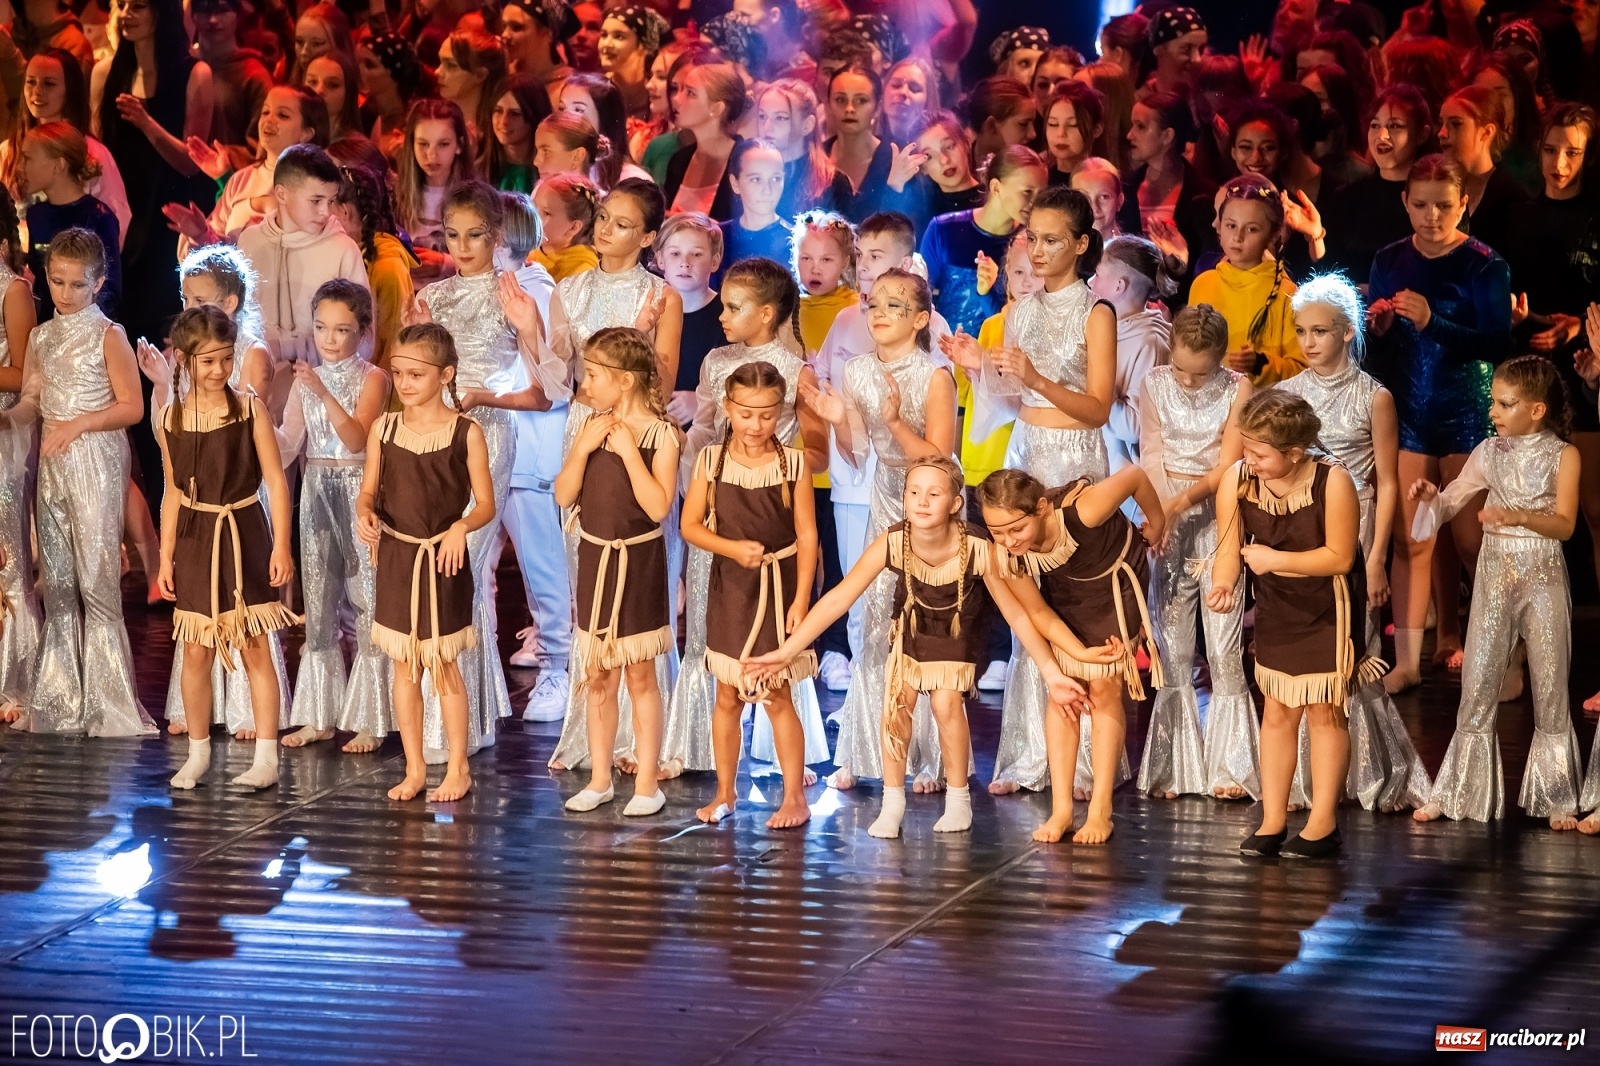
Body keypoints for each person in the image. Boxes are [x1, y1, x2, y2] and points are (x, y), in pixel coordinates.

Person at [751, 456, 1081, 839]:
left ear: (955, 503)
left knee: (944, 702)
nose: (922, 502)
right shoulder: (895, 540)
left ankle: (958, 799)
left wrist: (1053, 673)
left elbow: (1018, 616)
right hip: (911, 627)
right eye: (914, 492)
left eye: (934, 494)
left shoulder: (977, 547)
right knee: (897, 702)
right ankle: (893, 802)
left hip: (957, 631)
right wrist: (786, 651)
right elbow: (839, 598)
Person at [942, 185, 1116, 798]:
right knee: (1027, 600)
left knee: (1072, 600)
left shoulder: (1096, 312)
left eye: (1050, 240)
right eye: (1032, 240)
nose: (1038, 252)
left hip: (1074, 459)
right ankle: (1030, 753)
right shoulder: (1020, 309)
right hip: (1027, 453)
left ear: (1080, 244)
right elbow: (1008, 399)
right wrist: (977, 368)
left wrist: (1035, 376)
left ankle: (1088, 758)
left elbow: (1098, 407)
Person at [410, 180, 555, 761]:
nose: (463, 247)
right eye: (452, 236)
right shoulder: (435, 296)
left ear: (497, 237)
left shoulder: (513, 292)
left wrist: (522, 333)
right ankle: (464, 704)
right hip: (432, 440)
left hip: (486, 435)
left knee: (463, 562)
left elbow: (547, 390)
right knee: (437, 567)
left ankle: (466, 718)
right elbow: (412, 373)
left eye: (475, 236)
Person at [667, 256, 827, 778]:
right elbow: (706, 429)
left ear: (765, 313)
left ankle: (785, 762)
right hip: (719, 502)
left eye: (734, 307)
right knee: (712, 637)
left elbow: (816, 448)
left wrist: (779, 465)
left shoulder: (797, 368)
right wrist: (691, 473)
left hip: (772, 503)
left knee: (773, 648)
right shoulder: (715, 361)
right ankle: (697, 749)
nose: (721, 314)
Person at [1279, 274, 1431, 814]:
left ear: (1347, 332)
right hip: (1301, 526)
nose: (1310, 342)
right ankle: (1307, 777)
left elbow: (1387, 482)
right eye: (1301, 331)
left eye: (1321, 331)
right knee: (1303, 652)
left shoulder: (1375, 397)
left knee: (1353, 649)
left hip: (1356, 524)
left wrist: (1376, 558)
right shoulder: (1288, 395)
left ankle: (1366, 770)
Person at [803, 268, 957, 792]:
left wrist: (894, 422)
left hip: (929, 505)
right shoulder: (859, 370)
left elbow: (939, 460)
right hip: (883, 499)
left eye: (895, 304)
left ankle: (928, 758)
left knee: (920, 624)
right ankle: (867, 750)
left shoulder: (935, 375)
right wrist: (835, 419)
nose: (880, 312)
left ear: (920, 319)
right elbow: (858, 451)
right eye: (873, 303)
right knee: (874, 623)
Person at [1411, 357, 1582, 829]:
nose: (1494, 412)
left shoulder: (1563, 455)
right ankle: (1458, 792)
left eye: (1506, 404)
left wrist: (1518, 517)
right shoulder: (1490, 451)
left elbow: (1565, 525)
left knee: (1551, 688)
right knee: (1478, 683)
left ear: (1537, 409)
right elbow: (1452, 502)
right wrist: (1432, 499)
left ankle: (1557, 794)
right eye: (1494, 402)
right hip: (1495, 576)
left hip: (1543, 576)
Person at [545, 179, 680, 774]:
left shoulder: (661, 296)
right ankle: (595, 733)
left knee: (637, 584)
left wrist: (646, 336)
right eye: (603, 217)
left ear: (648, 237)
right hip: (584, 424)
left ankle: (641, 739)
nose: (605, 229)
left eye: (623, 223)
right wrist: (529, 329)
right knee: (589, 578)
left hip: (638, 429)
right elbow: (557, 377)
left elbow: (663, 383)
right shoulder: (568, 290)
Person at [1368, 154, 1513, 691]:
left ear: (1465, 204)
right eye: (1422, 205)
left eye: (1444, 206)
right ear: (1404, 202)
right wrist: (1380, 327)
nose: (1432, 216)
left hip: (1467, 409)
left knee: (1473, 539)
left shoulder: (1483, 264)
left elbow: (1498, 341)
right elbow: (1383, 342)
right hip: (1411, 410)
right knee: (1412, 539)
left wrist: (1435, 321)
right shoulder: (1389, 258)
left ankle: (1502, 656)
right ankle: (1407, 660)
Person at [1212, 391, 1370, 859]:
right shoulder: (1239, 479)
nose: (1250, 461)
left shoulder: (1332, 481)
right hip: (1278, 604)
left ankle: (1323, 823)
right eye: (1246, 449)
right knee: (1277, 709)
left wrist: (1272, 559)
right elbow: (1229, 545)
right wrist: (1225, 585)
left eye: (1260, 454)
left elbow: (1339, 557)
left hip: (1327, 605)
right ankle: (1273, 819)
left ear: (1295, 452)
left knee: (1323, 710)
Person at [978, 464, 1166, 844]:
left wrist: (1157, 522)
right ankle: (1062, 809)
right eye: (998, 532)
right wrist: (1077, 650)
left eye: (1017, 529)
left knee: (1103, 686)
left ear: (1042, 508)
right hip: (1067, 593)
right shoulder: (1008, 554)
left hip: (1114, 583)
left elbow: (1134, 477)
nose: (1009, 540)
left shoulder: (1086, 510)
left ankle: (1100, 809)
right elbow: (1037, 612)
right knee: (1064, 693)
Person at [18, 229, 154, 736]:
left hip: (94, 456)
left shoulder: (108, 334)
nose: (65, 293)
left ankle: (109, 704)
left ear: (97, 284)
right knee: (57, 582)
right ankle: (60, 700)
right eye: (57, 281)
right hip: (53, 459)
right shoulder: (41, 337)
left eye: (78, 284)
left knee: (96, 582)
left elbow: (131, 406)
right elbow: (34, 395)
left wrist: (77, 423)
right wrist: (15, 420)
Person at [356, 324, 496, 804]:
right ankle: (415, 767)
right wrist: (365, 513)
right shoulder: (385, 428)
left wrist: (459, 528)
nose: (404, 383)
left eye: (416, 373)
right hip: (397, 555)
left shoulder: (466, 432)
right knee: (404, 667)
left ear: (446, 375)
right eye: (397, 373)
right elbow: (369, 491)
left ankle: (457, 767)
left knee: (444, 664)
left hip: (443, 557)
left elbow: (485, 505)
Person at [158, 305, 295, 790]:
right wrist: (165, 555)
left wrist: (281, 546)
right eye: (207, 361)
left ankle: (265, 758)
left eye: (225, 358)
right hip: (197, 537)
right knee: (195, 650)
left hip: (242, 530)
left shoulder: (249, 408)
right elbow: (173, 491)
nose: (219, 370)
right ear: (183, 360)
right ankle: (197, 753)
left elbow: (276, 483)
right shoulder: (171, 417)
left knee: (256, 645)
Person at [679, 360, 817, 827]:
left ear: (781, 412)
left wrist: (800, 602)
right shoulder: (711, 461)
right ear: (726, 408)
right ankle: (725, 792)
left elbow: (808, 536)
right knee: (727, 696)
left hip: (778, 589)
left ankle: (794, 796)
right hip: (732, 588)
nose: (756, 425)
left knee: (777, 695)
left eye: (767, 414)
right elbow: (690, 526)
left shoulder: (793, 464)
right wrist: (732, 548)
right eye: (746, 414)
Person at [554, 327, 678, 816]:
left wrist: (629, 453)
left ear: (624, 381)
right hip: (594, 560)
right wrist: (584, 449)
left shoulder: (661, 435)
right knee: (598, 673)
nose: (585, 385)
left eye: (594, 376)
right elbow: (564, 496)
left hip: (639, 564)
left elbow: (656, 507)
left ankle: (647, 782)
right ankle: (601, 778)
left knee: (640, 675)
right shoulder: (589, 423)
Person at [1138, 304, 1252, 800]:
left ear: (1221, 361)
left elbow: (1229, 468)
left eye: (1199, 372)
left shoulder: (1237, 389)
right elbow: (1153, 453)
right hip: (1166, 511)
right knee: (1174, 647)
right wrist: (1162, 514)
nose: (1186, 381)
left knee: (1224, 646)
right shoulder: (1155, 382)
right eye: (1180, 367)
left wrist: (1179, 506)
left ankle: (1229, 766)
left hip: (1217, 515)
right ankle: (1173, 766)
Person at [278, 281, 391, 753]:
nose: (329, 339)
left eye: (342, 329)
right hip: (317, 491)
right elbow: (287, 442)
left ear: (362, 332)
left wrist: (321, 391)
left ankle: (372, 718)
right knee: (319, 605)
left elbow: (356, 440)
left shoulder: (374, 378)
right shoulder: (306, 381)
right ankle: (319, 715)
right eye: (322, 327)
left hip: (359, 490)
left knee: (367, 601)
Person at [1501, 104, 1600, 596]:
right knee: (1529, 508)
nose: (1559, 163)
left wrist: (1578, 325)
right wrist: (1517, 317)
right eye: (1550, 150)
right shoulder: (1517, 217)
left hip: (1586, 367)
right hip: (1529, 366)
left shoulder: (1595, 217)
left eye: (1572, 153)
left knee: (1594, 508)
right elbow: (1500, 292)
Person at [234, 143, 368, 378]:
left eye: (331, 200)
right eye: (316, 201)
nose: (326, 212)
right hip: (260, 387)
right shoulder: (250, 242)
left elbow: (364, 332)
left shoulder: (343, 250)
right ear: (282, 194)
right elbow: (237, 318)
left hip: (321, 388)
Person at [165, 84, 328, 258]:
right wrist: (200, 234)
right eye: (265, 112)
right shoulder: (241, 180)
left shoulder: (319, 187)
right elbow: (220, 252)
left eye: (283, 115)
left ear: (306, 134)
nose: (269, 119)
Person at [1, 49, 131, 245]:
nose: (37, 91)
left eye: (49, 83)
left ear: (70, 90)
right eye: (31, 82)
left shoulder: (93, 154)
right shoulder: (8, 151)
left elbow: (115, 223)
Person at [918, 145, 1047, 338]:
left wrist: (989, 292)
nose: (1035, 203)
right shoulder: (943, 230)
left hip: (1000, 358)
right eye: (1027, 192)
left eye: (1041, 194)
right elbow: (920, 299)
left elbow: (1022, 323)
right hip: (945, 354)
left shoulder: (1029, 243)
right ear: (996, 187)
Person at [1188, 174, 1304, 386]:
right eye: (1231, 225)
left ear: (1273, 235)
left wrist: (1260, 364)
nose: (1238, 237)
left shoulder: (1287, 294)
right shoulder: (1203, 284)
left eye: (1251, 229)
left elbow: (1301, 369)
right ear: (1219, 226)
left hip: (1262, 411)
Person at [1321, 84, 1435, 285]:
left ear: (1422, 134)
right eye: (1374, 125)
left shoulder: (1436, 200)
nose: (1381, 136)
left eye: (1395, 126)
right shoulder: (1347, 198)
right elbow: (1329, 267)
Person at [0, 190, 41, 724]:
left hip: (5, 432)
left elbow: (29, 375)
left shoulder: (12, 291)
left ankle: (15, 682)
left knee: (8, 560)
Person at [18, 123, 123, 318]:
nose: (20, 167)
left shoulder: (99, 217)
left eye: (27, 158)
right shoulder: (36, 215)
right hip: (46, 331)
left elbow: (110, 290)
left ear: (58, 165)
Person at [330, 163, 415, 371]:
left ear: (344, 211)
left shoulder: (388, 267)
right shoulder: (343, 253)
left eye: (325, 203)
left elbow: (394, 344)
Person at [1438, 84, 1530, 262]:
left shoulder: (1512, 198)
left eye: (1456, 124)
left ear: (1486, 132)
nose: (1441, 133)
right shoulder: (1438, 186)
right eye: (1441, 123)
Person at [824, 65, 923, 225]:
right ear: (828, 104)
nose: (849, 108)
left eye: (861, 100)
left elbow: (910, 229)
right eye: (840, 99)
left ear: (877, 108)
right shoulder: (815, 159)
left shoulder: (897, 160)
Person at [655, 212, 723, 426]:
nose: (685, 263)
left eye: (696, 254)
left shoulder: (728, 316)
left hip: (705, 436)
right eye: (675, 254)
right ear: (660, 259)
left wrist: (702, 402)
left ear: (714, 261)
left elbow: (742, 377)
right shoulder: (648, 311)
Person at [394, 98, 476, 274]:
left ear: (459, 145)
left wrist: (444, 263)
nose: (431, 155)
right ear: (411, 143)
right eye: (423, 144)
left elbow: (497, 262)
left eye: (443, 144)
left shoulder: (478, 199)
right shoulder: (393, 194)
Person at [662, 60, 747, 219]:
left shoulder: (745, 163)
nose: (676, 99)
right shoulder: (679, 160)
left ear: (716, 108)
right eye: (680, 90)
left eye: (690, 93)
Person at [756, 78, 843, 223]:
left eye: (780, 118)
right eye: (762, 116)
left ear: (807, 125)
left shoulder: (831, 182)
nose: (766, 127)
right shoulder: (744, 171)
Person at [717, 140, 791, 278]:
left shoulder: (797, 242)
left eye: (775, 179)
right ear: (735, 183)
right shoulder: (717, 238)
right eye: (756, 179)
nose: (767, 190)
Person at [909, 111, 984, 228]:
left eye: (949, 146)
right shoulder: (923, 219)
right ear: (922, 167)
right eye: (929, 156)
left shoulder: (996, 199)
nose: (944, 160)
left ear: (966, 143)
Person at [437, 28, 507, 150]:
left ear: (480, 75)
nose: (437, 72)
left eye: (451, 66)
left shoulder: (500, 135)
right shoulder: (433, 122)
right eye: (440, 62)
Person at [597, 4, 668, 120]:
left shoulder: (657, 94)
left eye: (619, 37)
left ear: (644, 46)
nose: (606, 44)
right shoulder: (596, 92)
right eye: (604, 35)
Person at [484, 74, 551, 192]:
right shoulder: (479, 167)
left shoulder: (550, 171)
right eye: (498, 111)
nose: (504, 121)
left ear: (535, 116)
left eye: (514, 114)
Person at [531, 172, 600, 281]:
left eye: (546, 213)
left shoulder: (582, 275)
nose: (532, 217)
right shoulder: (525, 248)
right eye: (533, 206)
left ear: (573, 227)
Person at [1043, 80, 1104, 185]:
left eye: (1072, 125)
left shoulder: (1107, 184)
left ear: (1096, 130)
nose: (1061, 133)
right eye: (1053, 124)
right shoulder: (1039, 183)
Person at [1146, 6, 1206, 93]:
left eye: (1201, 49)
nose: (1198, 59)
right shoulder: (1134, 103)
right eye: (1187, 48)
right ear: (1159, 49)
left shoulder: (1204, 103)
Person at [304, 51, 361, 143]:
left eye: (332, 85)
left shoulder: (358, 151)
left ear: (348, 92)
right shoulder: (289, 139)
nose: (319, 91)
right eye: (313, 82)